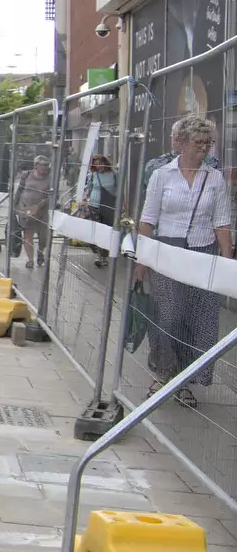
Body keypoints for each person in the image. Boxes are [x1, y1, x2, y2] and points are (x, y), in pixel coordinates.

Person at [135, 113, 232, 408]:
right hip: (166, 254)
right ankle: (164, 373)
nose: (203, 147)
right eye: (198, 141)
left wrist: (227, 264)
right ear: (183, 144)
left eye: (208, 142)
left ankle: (186, 382)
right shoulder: (161, 175)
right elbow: (148, 220)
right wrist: (142, 260)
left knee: (199, 322)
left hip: (202, 255)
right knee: (169, 316)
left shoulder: (214, 177)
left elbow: (222, 222)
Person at [13, 154, 54, 269]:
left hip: (42, 211)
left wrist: (41, 204)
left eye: (47, 165)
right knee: (28, 235)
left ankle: (40, 251)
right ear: (36, 165)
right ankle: (30, 260)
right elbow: (20, 190)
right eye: (43, 165)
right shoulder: (26, 175)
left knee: (43, 237)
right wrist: (15, 205)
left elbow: (53, 195)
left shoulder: (50, 178)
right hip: (26, 209)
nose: (45, 167)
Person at [80, 153, 118, 268]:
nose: (99, 166)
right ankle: (99, 255)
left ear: (105, 163)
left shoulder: (114, 174)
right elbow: (89, 188)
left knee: (106, 231)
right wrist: (84, 199)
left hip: (109, 206)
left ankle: (103, 256)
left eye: (100, 163)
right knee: (96, 231)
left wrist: (122, 205)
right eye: (96, 165)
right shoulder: (93, 175)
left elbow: (119, 190)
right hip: (94, 205)